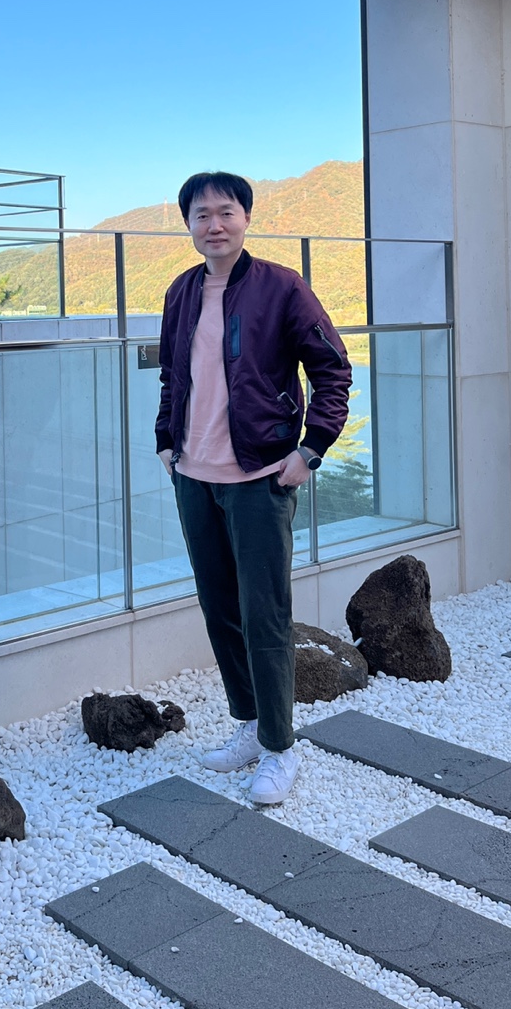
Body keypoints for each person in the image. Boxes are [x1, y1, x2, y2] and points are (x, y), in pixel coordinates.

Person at [156, 171, 351, 805]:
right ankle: (249, 724)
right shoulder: (182, 291)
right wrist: (166, 441)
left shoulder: (282, 287)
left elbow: (332, 370)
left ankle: (280, 747)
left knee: (264, 614)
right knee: (220, 609)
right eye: (201, 214)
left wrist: (311, 450)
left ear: (245, 217)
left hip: (258, 478)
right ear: (188, 224)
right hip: (194, 476)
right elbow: (173, 377)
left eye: (225, 212)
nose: (213, 224)